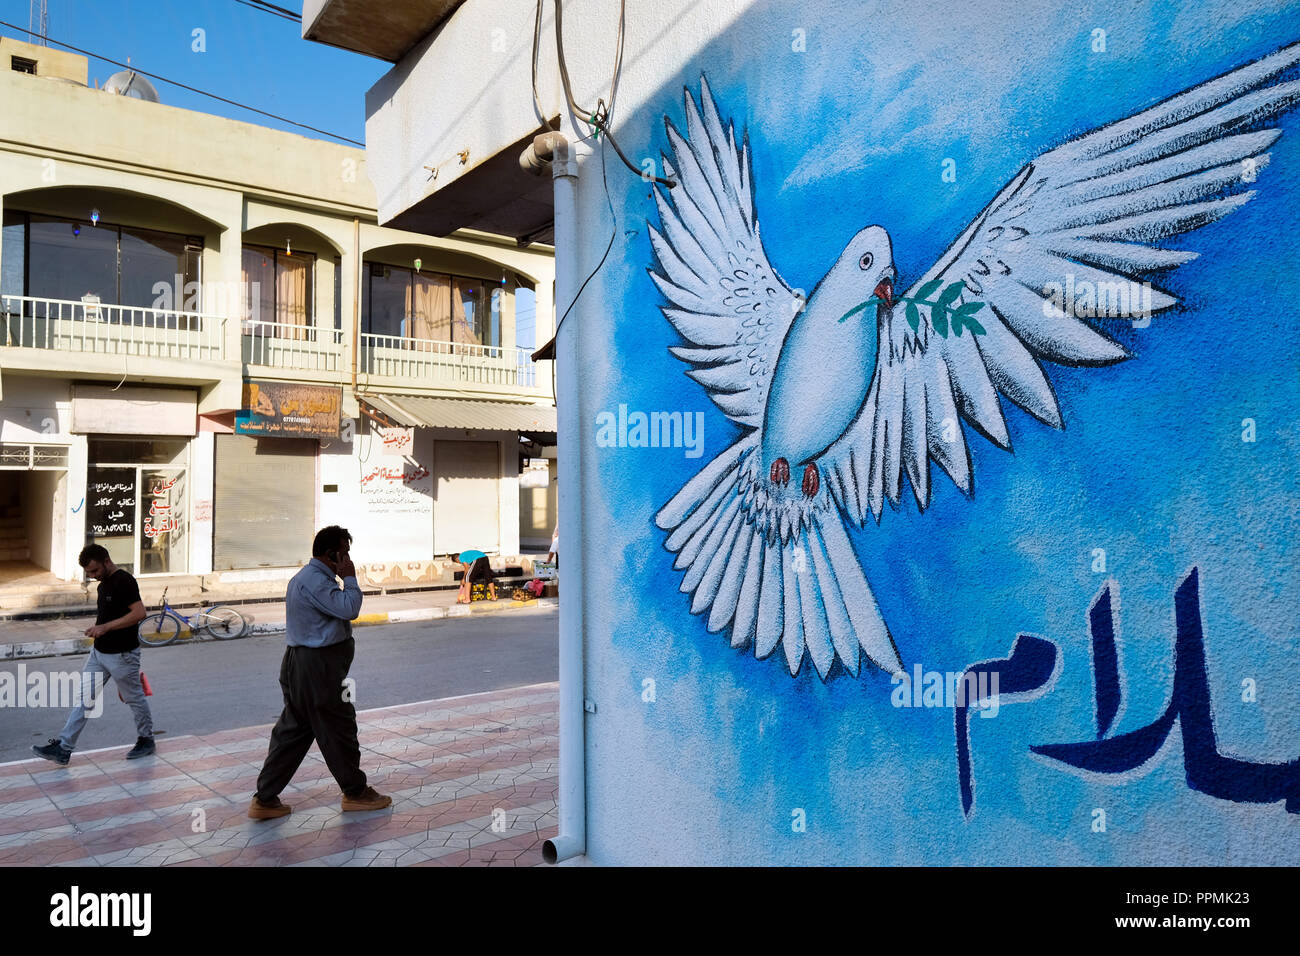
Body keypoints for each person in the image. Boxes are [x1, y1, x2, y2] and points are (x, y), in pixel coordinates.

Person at [248, 526, 391, 820]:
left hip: (308, 666)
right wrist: (350, 577)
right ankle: (355, 792)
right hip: (316, 668)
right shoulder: (315, 581)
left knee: (294, 733)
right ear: (331, 555)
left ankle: (265, 798)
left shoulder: (311, 578)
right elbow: (349, 608)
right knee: (338, 726)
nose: (349, 558)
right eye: (345, 553)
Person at [32, 545, 154, 765]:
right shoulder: (103, 584)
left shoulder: (123, 581)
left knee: (134, 698)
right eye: (89, 573)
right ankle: (64, 748)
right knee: (84, 700)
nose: (93, 576)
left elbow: (139, 613)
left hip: (122, 655)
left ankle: (146, 739)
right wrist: (96, 627)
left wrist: (105, 627)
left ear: (107, 561)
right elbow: (108, 616)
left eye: (95, 571)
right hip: (99, 653)